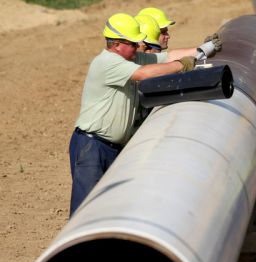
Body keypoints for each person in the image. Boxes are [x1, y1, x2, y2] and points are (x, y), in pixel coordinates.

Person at [69, 13, 222, 216]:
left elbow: (167, 56)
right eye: (133, 43)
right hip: (92, 147)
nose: (138, 46)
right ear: (116, 45)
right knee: (86, 210)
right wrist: (183, 65)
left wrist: (204, 49)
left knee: (109, 208)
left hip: (110, 147)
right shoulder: (108, 63)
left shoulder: (130, 56)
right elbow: (144, 74)